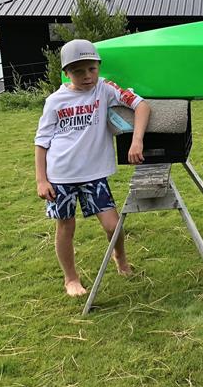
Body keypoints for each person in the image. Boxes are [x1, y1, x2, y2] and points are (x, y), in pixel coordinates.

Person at [35, 39, 151, 296]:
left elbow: (141, 105)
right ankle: (71, 279)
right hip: (61, 176)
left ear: (98, 67)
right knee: (66, 226)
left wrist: (137, 140)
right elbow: (41, 143)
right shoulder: (55, 101)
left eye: (92, 69)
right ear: (66, 73)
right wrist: (41, 180)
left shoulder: (105, 89)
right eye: (78, 71)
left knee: (112, 225)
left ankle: (120, 259)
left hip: (94, 175)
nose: (87, 76)